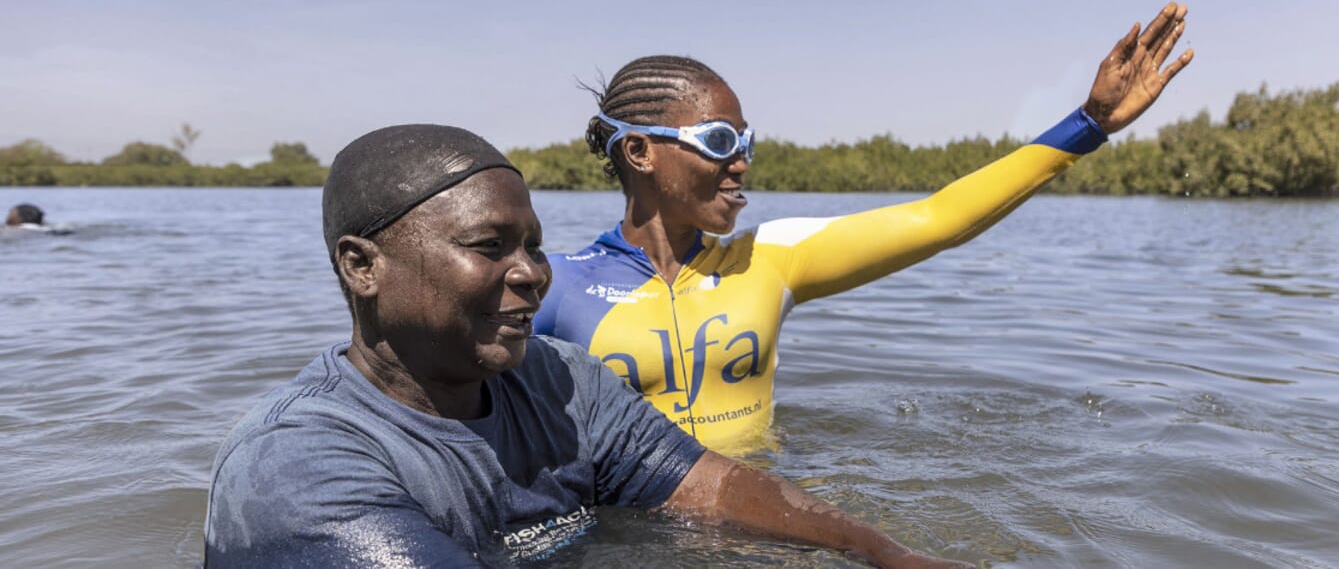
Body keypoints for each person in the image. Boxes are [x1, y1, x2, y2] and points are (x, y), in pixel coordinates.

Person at [203, 124, 968, 568]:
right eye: (490, 246)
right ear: (361, 266)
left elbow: (712, 491)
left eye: (532, 246)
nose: (532, 274)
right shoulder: (299, 470)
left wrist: (891, 556)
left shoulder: (559, 379)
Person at [535, 3, 1194, 452]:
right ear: (639, 152)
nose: (739, 162)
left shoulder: (769, 261)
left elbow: (939, 218)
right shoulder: (552, 289)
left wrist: (1089, 124)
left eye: (745, 141)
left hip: (764, 519)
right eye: (715, 140)